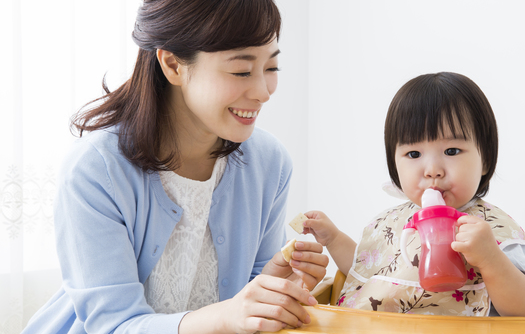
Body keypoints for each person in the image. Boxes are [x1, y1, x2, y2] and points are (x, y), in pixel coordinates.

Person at [22, 1, 328, 333]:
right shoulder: (96, 170)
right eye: (242, 71)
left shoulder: (269, 163)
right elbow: (112, 325)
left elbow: (240, 307)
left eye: (271, 68)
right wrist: (228, 316)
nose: (263, 92)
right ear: (172, 65)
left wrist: (271, 290)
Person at [303, 72, 525, 319]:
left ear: (485, 160)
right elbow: (368, 271)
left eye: (451, 150)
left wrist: (490, 257)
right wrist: (333, 238)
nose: (432, 171)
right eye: (414, 154)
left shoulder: (492, 229)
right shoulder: (391, 223)